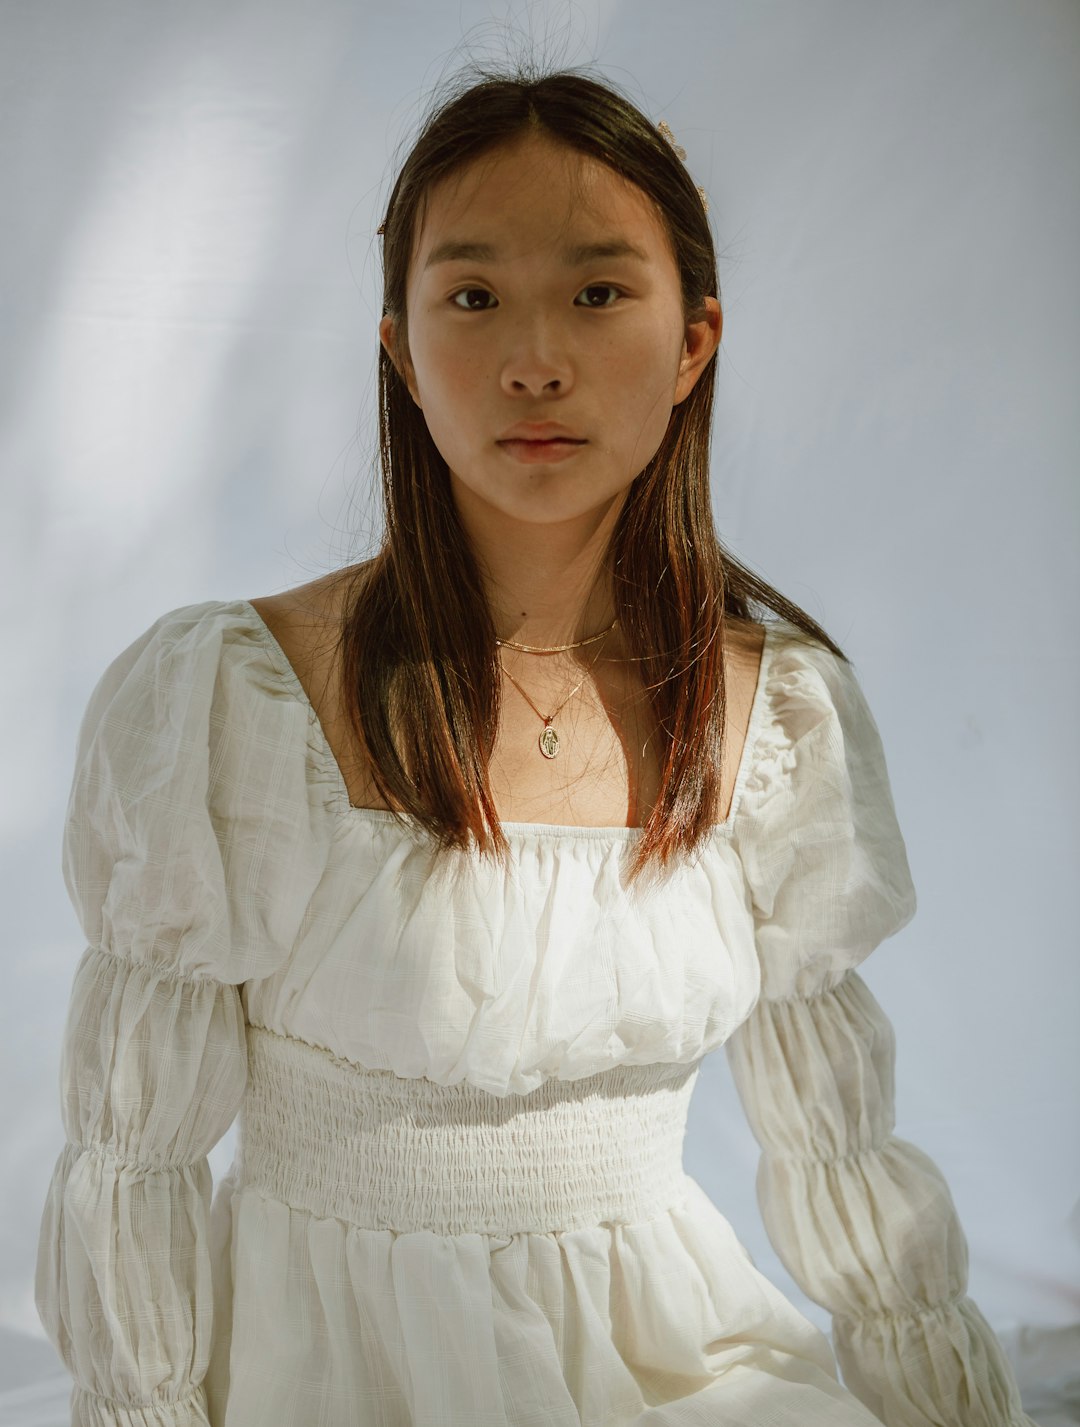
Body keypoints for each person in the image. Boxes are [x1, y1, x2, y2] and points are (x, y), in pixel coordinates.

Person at [35, 61, 1035, 1427]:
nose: (536, 359)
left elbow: (836, 1147)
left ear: (694, 341)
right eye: (474, 296)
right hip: (321, 1374)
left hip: (673, 1366)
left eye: (599, 290)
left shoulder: (773, 714)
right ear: (400, 347)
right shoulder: (237, 698)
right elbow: (131, 1158)